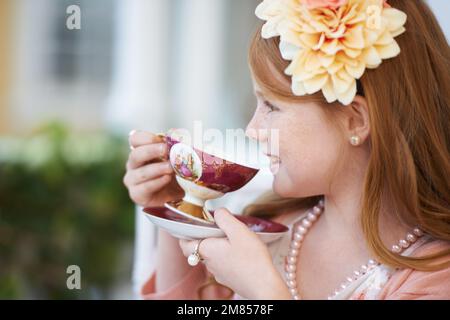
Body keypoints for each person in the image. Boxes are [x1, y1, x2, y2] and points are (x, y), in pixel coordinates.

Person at [123, 0, 450, 300]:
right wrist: (174, 206)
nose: (253, 129)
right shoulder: (267, 232)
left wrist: (264, 290)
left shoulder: (434, 277)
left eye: (271, 106)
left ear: (355, 121)